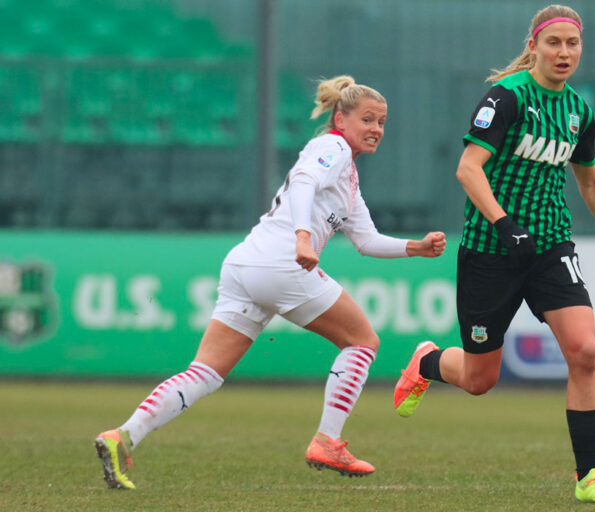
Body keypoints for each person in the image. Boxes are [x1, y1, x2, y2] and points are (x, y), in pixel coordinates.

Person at [93, 75, 447, 490]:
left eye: (382, 122)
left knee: (205, 373)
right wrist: (302, 237)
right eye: (367, 119)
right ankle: (328, 440)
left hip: (246, 264)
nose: (376, 129)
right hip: (282, 263)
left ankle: (123, 436)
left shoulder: (347, 176)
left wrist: (415, 247)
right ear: (340, 119)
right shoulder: (332, 147)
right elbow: (304, 182)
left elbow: (366, 240)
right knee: (362, 342)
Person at [392, 4, 595, 505]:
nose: (564, 52)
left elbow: (589, 181)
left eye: (572, 43)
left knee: (585, 352)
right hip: (491, 249)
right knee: (480, 379)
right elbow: (468, 168)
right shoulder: (506, 97)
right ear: (534, 46)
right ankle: (428, 362)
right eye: (554, 43)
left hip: (550, 247)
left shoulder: (579, 110)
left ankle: (588, 478)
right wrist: (504, 225)